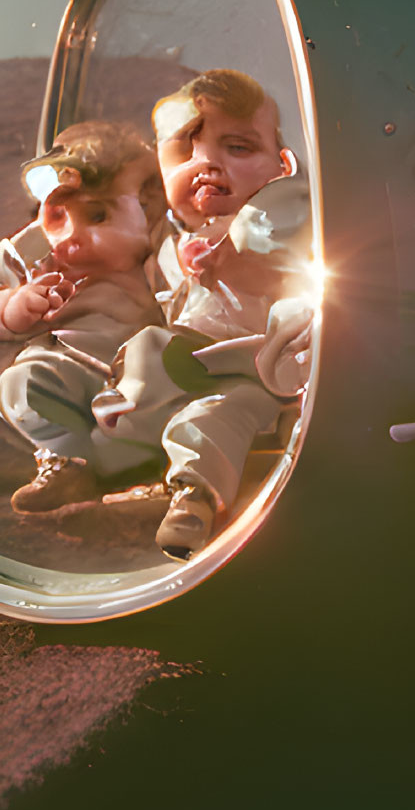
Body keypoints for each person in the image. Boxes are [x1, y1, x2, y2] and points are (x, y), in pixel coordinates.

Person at [115, 68, 316, 557]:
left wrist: (237, 253)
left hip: (260, 372)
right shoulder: (164, 247)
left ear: (282, 165)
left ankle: (194, 499)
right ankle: (96, 457)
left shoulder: (276, 216)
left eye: (239, 148)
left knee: (211, 419)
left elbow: (283, 248)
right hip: (188, 367)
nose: (206, 163)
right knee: (132, 388)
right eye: (185, 151)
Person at [0, 120, 172, 513]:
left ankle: (143, 469)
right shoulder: (40, 264)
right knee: (20, 383)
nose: (71, 236)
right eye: (58, 217)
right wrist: (13, 307)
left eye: (97, 216)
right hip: (70, 369)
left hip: (139, 381)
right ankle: (69, 462)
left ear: (147, 214)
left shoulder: (157, 257)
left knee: (162, 372)